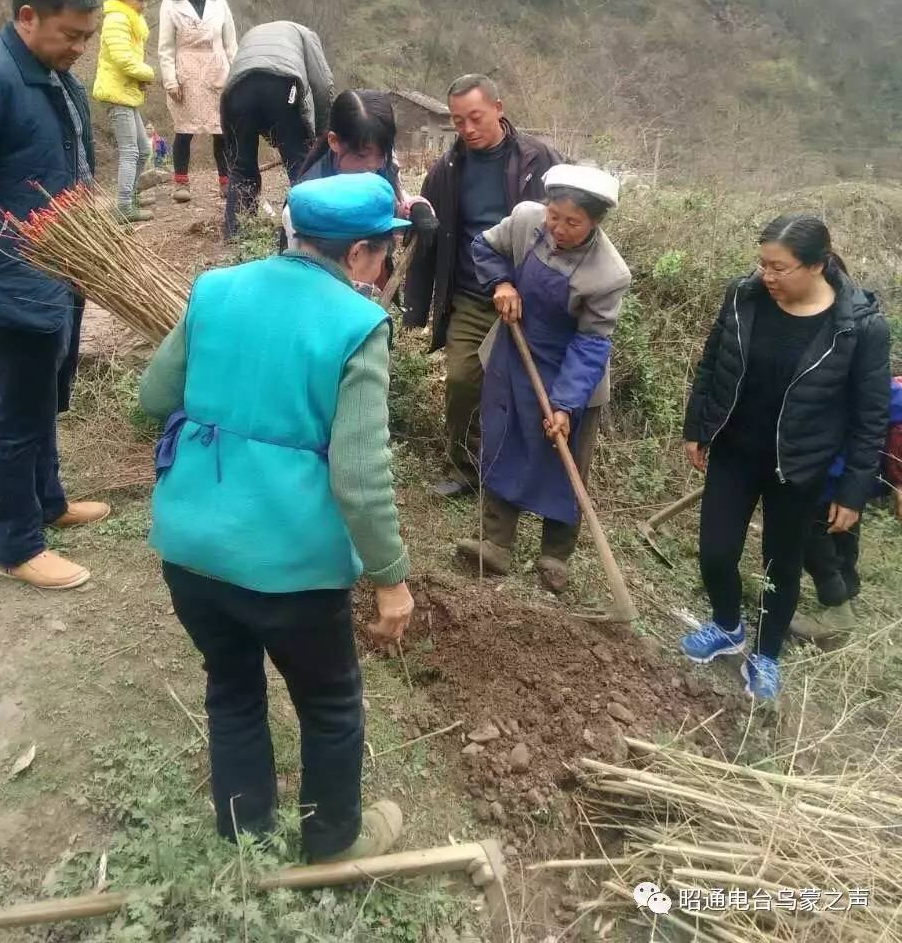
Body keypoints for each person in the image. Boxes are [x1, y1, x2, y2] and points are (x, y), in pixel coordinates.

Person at [139, 172, 415, 861]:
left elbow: (153, 396)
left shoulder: (215, 288)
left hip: (192, 548)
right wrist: (390, 577)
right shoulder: (358, 322)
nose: (383, 268)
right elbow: (358, 475)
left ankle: (244, 839)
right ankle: (330, 845)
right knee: (328, 707)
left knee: (231, 690)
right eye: (384, 254)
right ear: (358, 255)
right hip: (291, 569)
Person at [0, 0, 112, 590]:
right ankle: (17, 545)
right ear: (27, 18)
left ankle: (49, 502)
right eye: (71, 34)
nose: (79, 48)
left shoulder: (50, 72)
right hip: (13, 272)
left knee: (46, 392)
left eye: (87, 37)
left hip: (61, 267)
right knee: (17, 411)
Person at [681, 215, 890, 701]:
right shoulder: (744, 295)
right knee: (715, 552)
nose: (767, 276)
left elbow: (869, 414)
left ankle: (768, 654)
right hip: (735, 450)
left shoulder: (858, 327)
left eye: (780, 268)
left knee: (783, 565)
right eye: (762, 264)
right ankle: (728, 625)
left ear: (817, 265)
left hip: (800, 466)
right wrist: (698, 425)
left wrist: (853, 490)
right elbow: (714, 360)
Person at [455, 165, 631, 594]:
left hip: (570, 370)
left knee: (565, 456)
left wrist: (565, 404)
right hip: (513, 353)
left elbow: (591, 345)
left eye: (573, 222)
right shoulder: (525, 220)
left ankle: (555, 555)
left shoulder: (609, 274)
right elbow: (485, 248)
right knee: (502, 439)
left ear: (595, 223)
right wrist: (501, 284)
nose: (559, 228)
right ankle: (495, 542)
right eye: (555, 216)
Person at [404, 74, 561, 498]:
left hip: (527, 298)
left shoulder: (539, 160)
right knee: (461, 381)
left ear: (499, 108)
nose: (468, 129)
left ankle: (518, 472)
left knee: (521, 388)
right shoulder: (446, 169)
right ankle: (465, 469)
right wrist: (416, 306)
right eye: (458, 122)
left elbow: (571, 221)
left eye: (475, 118)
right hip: (471, 296)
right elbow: (426, 239)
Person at [791, 374, 902, 642]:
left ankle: (837, 610)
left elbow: (878, 400)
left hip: (839, 467)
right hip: (858, 470)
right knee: (843, 526)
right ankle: (848, 591)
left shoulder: (888, 389)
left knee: (809, 530)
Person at [281, 90, 438, 254]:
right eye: (361, 155)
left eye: (381, 154)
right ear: (334, 141)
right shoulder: (303, 208)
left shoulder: (384, 164)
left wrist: (415, 209)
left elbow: (393, 206)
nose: (372, 165)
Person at [220, 20, 335, 239]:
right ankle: (308, 229)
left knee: (241, 166)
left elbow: (249, 89)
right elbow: (322, 84)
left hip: (236, 89)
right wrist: (321, 133)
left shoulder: (253, 33)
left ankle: (236, 233)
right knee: (300, 162)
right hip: (281, 84)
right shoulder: (305, 34)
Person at [158, 0, 238, 204]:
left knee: (221, 130)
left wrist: (237, 74)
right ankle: (181, 183)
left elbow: (230, 43)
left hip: (218, 71)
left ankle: (226, 181)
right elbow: (166, 48)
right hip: (187, 73)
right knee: (184, 130)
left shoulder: (220, 3)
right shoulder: (170, 5)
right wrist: (170, 81)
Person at [93, 0, 156, 223]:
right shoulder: (117, 20)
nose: (144, 5)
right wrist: (148, 73)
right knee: (131, 151)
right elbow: (123, 59)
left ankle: (131, 196)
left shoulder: (128, 20)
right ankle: (123, 207)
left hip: (126, 92)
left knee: (143, 150)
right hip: (115, 93)